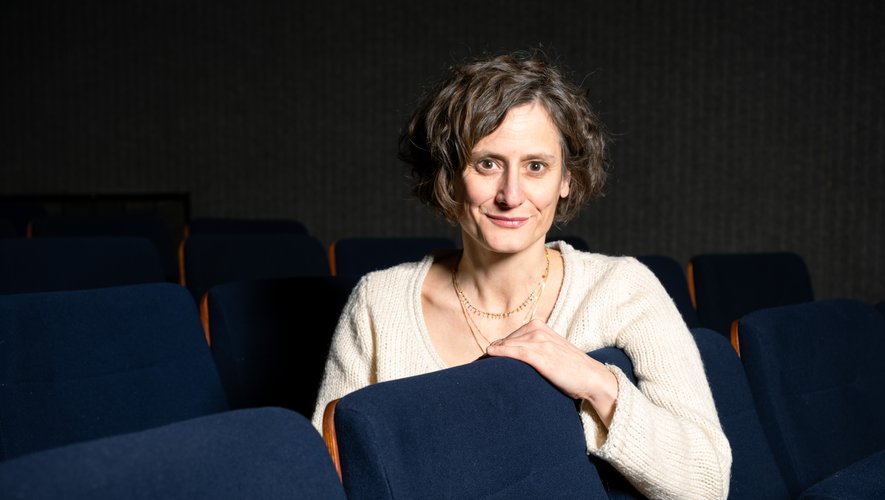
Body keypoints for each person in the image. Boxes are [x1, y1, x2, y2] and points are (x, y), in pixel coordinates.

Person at [311, 48, 731, 499]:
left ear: (566, 179)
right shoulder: (379, 301)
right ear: (449, 175)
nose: (511, 195)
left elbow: (707, 483)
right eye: (487, 163)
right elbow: (330, 482)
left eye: (536, 166)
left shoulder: (622, 290)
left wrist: (598, 384)